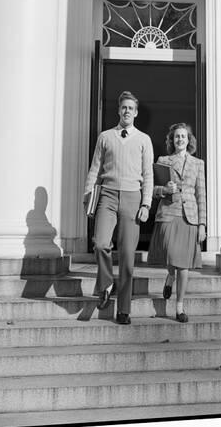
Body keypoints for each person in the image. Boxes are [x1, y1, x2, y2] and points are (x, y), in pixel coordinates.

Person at [84, 91, 154, 325]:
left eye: (130, 108)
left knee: (126, 256)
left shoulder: (144, 139)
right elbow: (95, 168)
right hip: (108, 195)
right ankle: (105, 284)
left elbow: (148, 174)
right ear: (119, 110)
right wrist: (88, 194)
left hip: (133, 198)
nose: (126, 111)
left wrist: (146, 204)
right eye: (123, 107)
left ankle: (124, 309)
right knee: (101, 243)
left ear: (135, 112)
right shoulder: (105, 137)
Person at [148, 122, 206, 323]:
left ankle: (179, 306)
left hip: (189, 216)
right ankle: (169, 276)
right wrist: (165, 189)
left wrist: (202, 225)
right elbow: (152, 189)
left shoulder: (198, 163)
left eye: (183, 136)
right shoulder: (163, 160)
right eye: (176, 137)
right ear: (172, 140)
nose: (180, 139)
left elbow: (201, 195)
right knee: (169, 255)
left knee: (184, 265)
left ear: (189, 140)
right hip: (168, 212)